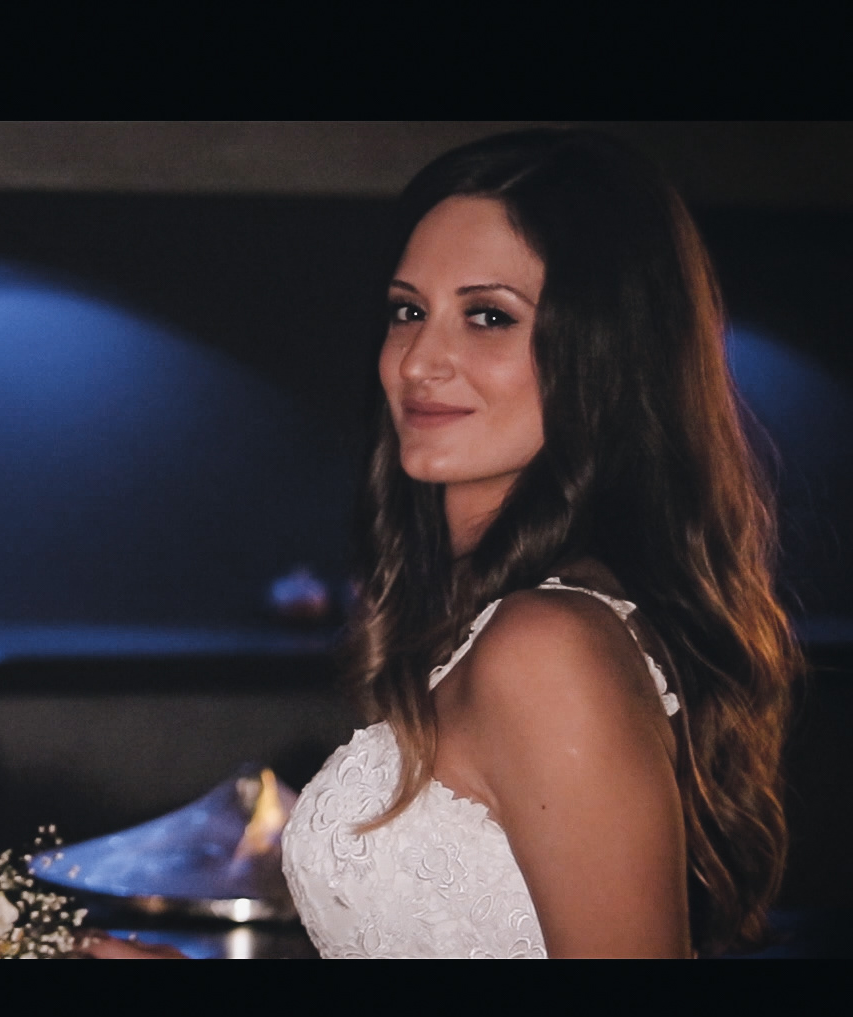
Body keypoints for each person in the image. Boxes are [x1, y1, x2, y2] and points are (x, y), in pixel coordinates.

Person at [279, 129, 799, 958]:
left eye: (488, 316)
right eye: (408, 311)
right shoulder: (487, 621)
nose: (418, 361)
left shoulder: (546, 648)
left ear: (606, 353)